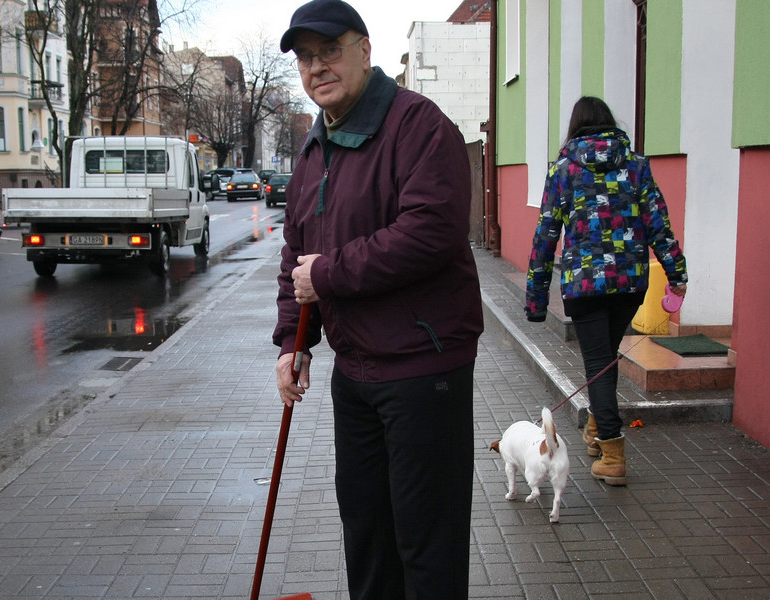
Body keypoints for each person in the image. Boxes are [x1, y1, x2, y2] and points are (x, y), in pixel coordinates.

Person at [272, 0, 483, 598]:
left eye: (329, 51)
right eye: (306, 59)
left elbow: (432, 231)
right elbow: (296, 259)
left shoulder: (419, 126)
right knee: (367, 536)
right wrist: (294, 343)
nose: (317, 68)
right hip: (356, 375)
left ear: (365, 51)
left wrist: (331, 275)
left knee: (427, 546)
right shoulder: (316, 150)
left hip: (423, 369)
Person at [525, 96, 688, 486]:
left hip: (584, 286)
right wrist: (676, 274)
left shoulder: (563, 171)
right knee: (604, 359)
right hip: (630, 283)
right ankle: (599, 427)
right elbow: (658, 225)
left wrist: (535, 297)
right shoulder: (636, 166)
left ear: (575, 127)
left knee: (598, 363)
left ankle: (612, 453)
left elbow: (546, 235)